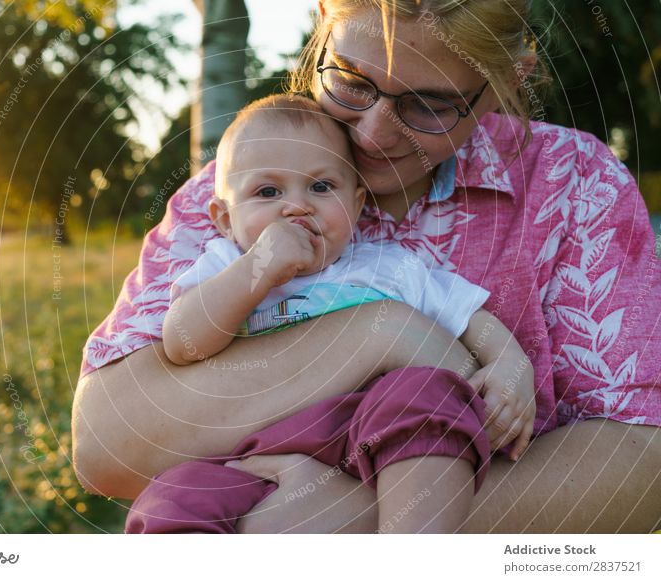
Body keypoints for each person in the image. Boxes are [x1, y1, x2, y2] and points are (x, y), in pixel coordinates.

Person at [73, 0, 661, 533]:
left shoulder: (575, 184)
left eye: (429, 105)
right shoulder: (248, 182)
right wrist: (382, 332)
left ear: (507, 81)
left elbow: (642, 460)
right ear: (322, 25)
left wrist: (350, 522)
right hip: (250, 483)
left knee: (419, 401)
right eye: (351, 82)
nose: (373, 134)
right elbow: (108, 446)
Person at [125, 94, 534, 533]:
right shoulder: (224, 264)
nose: (297, 206)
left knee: (426, 396)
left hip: (372, 431)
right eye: (267, 192)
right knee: (174, 496)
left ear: (357, 205)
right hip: (249, 454)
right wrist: (257, 270)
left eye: (322, 187)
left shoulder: (387, 268)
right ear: (225, 219)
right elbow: (182, 341)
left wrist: (511, 362)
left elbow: (469, 315)